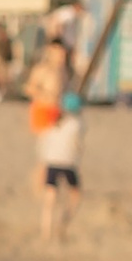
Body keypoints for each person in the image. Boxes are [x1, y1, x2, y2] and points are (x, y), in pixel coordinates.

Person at [31, 36, 84, 243]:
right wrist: (46, 95)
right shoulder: (43, 69)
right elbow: (31, 89)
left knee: (55, 168)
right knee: (47, 163)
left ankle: (54, 222)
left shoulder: (66, 71)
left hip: (61, 115)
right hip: (46, 114)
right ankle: (46, 221)